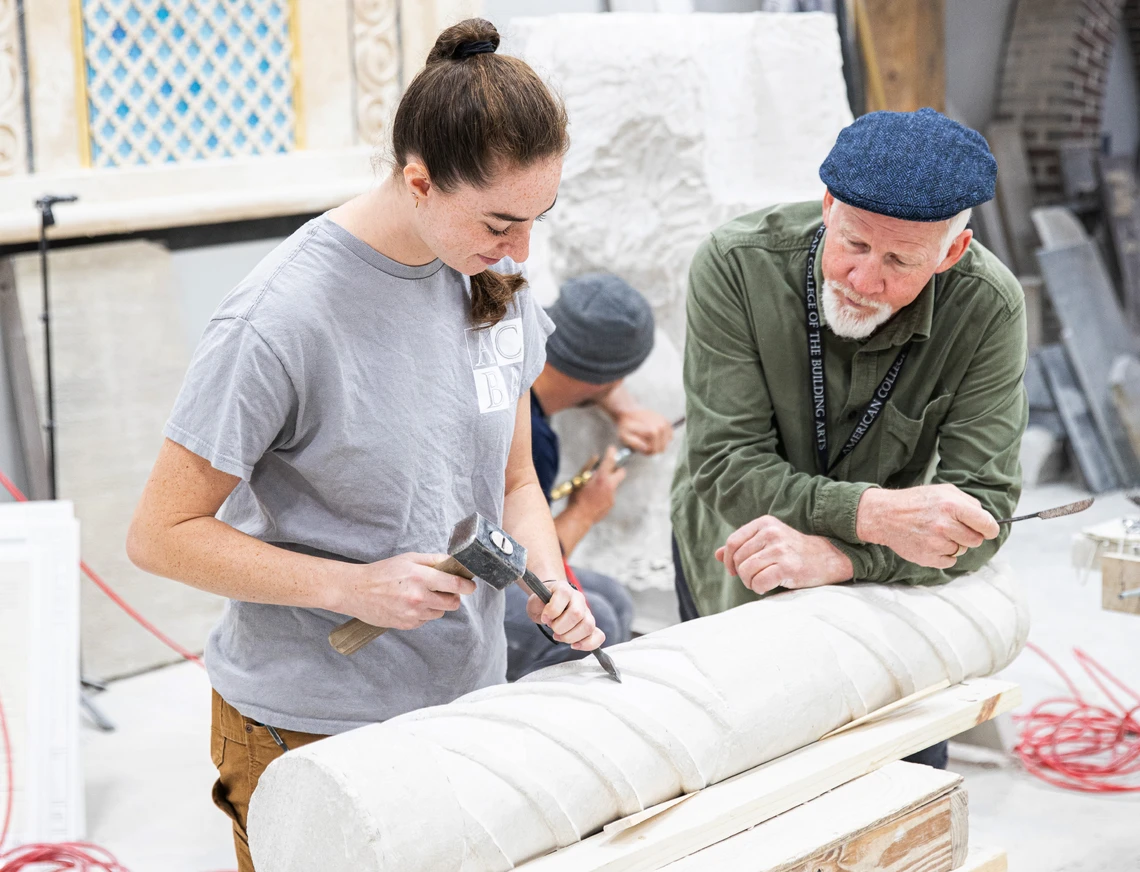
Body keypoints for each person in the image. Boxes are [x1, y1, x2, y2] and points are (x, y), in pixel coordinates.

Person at [126, 20, 603, 871]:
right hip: (308, 726)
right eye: (501, 220)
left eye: (540, 217)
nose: (522, 248)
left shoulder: (491, 276)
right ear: (418, 182)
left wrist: (550, 581)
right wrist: (351, 586)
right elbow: (160, 536)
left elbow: (516, 480)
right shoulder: (281, 318)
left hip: (461, 700)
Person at [670, 108, 1028, 770]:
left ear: (953, 252)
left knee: (902, 776)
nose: (864, 281)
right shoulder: (737, 266)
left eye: (899, 260)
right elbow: (726, 465)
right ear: (829, 206)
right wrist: (875, 514)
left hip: (884, 573)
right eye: (855, 245)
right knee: (748, 770)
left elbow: (985, 510)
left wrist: (849, 556)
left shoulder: (988, 308)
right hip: (736, 541)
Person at [505, 273, 674, 679]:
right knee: (603, 622)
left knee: (613, 597)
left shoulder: (512, 364)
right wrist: (585, 510)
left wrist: (622, 408)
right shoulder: (535, 442)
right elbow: (520, 562)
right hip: (472, 590)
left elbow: (591, 378)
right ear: (610, 378)